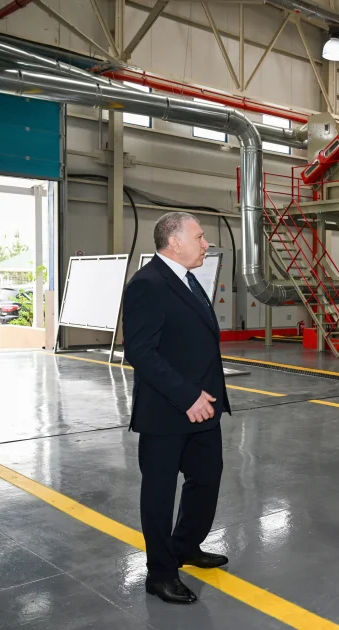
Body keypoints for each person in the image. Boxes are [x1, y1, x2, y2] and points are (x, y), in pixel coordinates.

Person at [123, 211, 230, 604]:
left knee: (206, 479)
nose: (206, 244)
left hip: (204, 409)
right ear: (174, 242)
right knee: (159, 493)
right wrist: (187, 396)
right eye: (199, 237)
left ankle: (185, 545)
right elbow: (141, 352)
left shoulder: (187, 279)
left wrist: (205, 397)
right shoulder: (147, 284)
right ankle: (160, 573)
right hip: (167, 411)